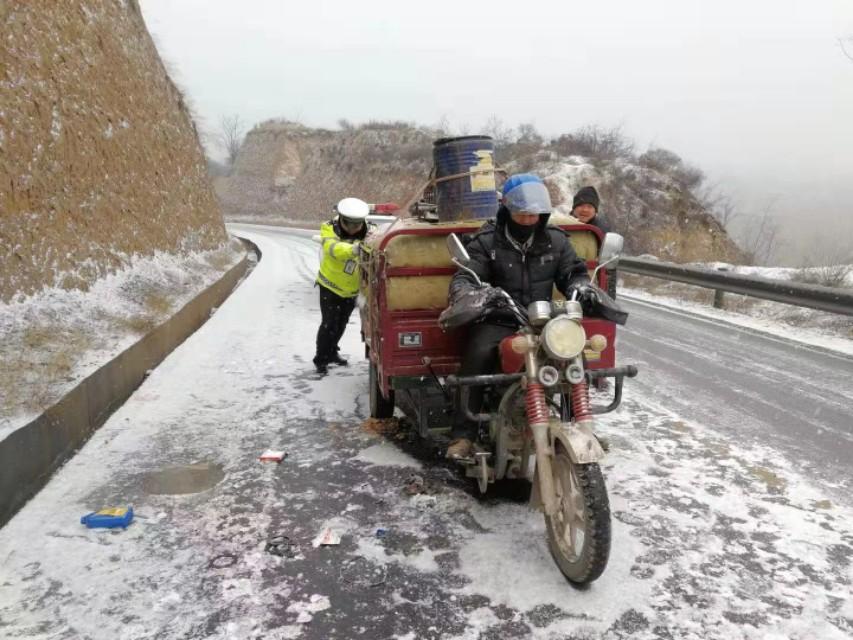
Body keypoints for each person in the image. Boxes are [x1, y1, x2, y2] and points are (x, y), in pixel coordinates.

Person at [445, 174, 591, 458]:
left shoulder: (557, 241)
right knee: (476, 356)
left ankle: (578, 427)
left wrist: (580, 285)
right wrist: (472, 293)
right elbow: (466, 276)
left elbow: (573, 271)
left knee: (576, 356)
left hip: (541, 319)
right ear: (507, 210)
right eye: (521, 214)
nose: (527, 220)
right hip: (500, 318)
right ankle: (464, 435)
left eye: (533, 214)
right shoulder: (487, 241)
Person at [313, 197, 371, 375]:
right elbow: (333, 248)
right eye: (349, 224)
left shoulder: (370, 230)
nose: (353, 229)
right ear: (341, 219)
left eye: (357, 225)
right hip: (330, 286)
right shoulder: (328, 227)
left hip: (352, 289)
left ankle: (332, 352)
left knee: (341, 323)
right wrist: (352, 250)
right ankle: (321, 358)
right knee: (329, 324)